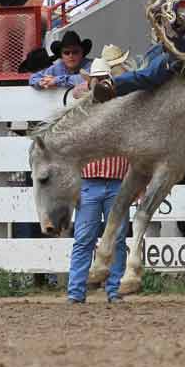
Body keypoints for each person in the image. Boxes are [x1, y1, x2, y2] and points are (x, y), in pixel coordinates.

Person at [66, 58, 131, 304]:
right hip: (92, 182)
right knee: (86, 238)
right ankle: (81, 290)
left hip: (113, 182)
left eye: (105, 78)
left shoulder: (120, 108)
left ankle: (104, 290)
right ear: (91, 81)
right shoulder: (86, 108)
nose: (101, 83)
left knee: (112, 238)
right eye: (98, 79)